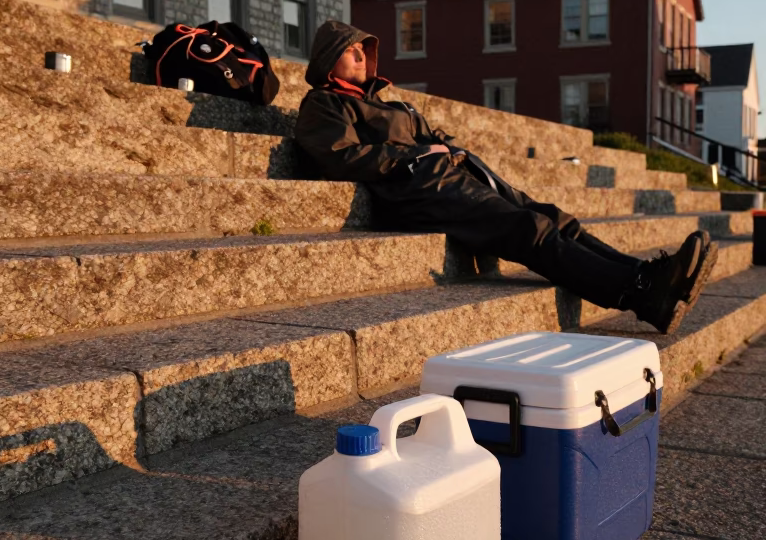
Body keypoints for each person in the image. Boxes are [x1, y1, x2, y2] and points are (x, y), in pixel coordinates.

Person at [294, 20, 718, 335]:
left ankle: (649, 276)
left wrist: (443, 147)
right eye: (353, 52)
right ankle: (642, 293)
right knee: (527, 229)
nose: (364, 57)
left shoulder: (393, 106)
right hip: (416, 192)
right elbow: (341, 157)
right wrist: (420, 153)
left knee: (553, 216)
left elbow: (434, 138)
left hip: (456, 175)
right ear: (330, 60)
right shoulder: (323, 105)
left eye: (366, 51)